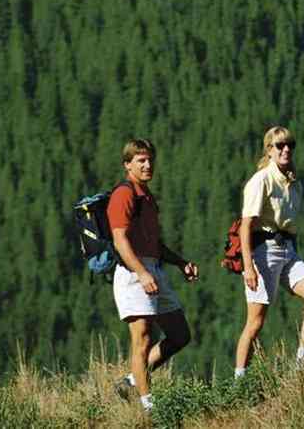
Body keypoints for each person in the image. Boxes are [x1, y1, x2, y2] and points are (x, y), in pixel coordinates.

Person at [108, 138, 199, 412]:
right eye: (141, 161)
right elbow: (119, 240)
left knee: (180, 335)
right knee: (143, 337)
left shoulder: (146, 197)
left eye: (150, 160)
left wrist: (180, 263)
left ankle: (131, 381)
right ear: (127, 165)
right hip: (133, 273)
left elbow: (154, 243)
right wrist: (142, 272)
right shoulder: (124, 194)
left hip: (154, 269)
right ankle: (150, 407)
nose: (148, 165)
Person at [234, 126, 304, 377]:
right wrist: (248, 266)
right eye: (279, 146)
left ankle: (302, 365)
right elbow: (245, 226)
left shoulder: (293, 183)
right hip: (264, 251)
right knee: (255, 321)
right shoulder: (261, 180)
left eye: (290, 145)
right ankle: (239, 380)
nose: (286, 150)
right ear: (269, 150)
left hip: (287, 249)